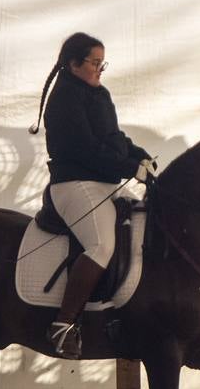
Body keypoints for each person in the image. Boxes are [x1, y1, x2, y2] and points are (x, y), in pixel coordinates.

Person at [29, 32, 154, 359]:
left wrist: (140, 156)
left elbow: (114, 138)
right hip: (74, 184)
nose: (100, 69)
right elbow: (86, 149)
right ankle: (63, 324)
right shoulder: (65, 99)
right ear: (73, 64)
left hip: (103, 182)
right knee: (101, 244)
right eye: (94, 63)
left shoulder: (99, 94)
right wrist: (130, 167)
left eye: (102, 63)